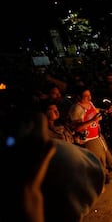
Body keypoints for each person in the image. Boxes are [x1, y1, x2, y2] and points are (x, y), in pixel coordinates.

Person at [0, 90, 105, 222]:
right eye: (51, 110)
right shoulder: (45, 143)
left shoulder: (61, 127)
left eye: (56, 109)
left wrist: (77, 138)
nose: (56, 112)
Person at [68, 86, 112, 184]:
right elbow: (77, 128)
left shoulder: (89, 103)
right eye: (86, 96)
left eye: (89, 95)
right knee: (99, 157)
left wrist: (105, 110)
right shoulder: (77, 109)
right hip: (88, 138)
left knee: (105, 150)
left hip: (96, 133)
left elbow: (95, 110)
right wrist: (93, 120)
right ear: (78, 97)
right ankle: (104, 175)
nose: (89, 98)